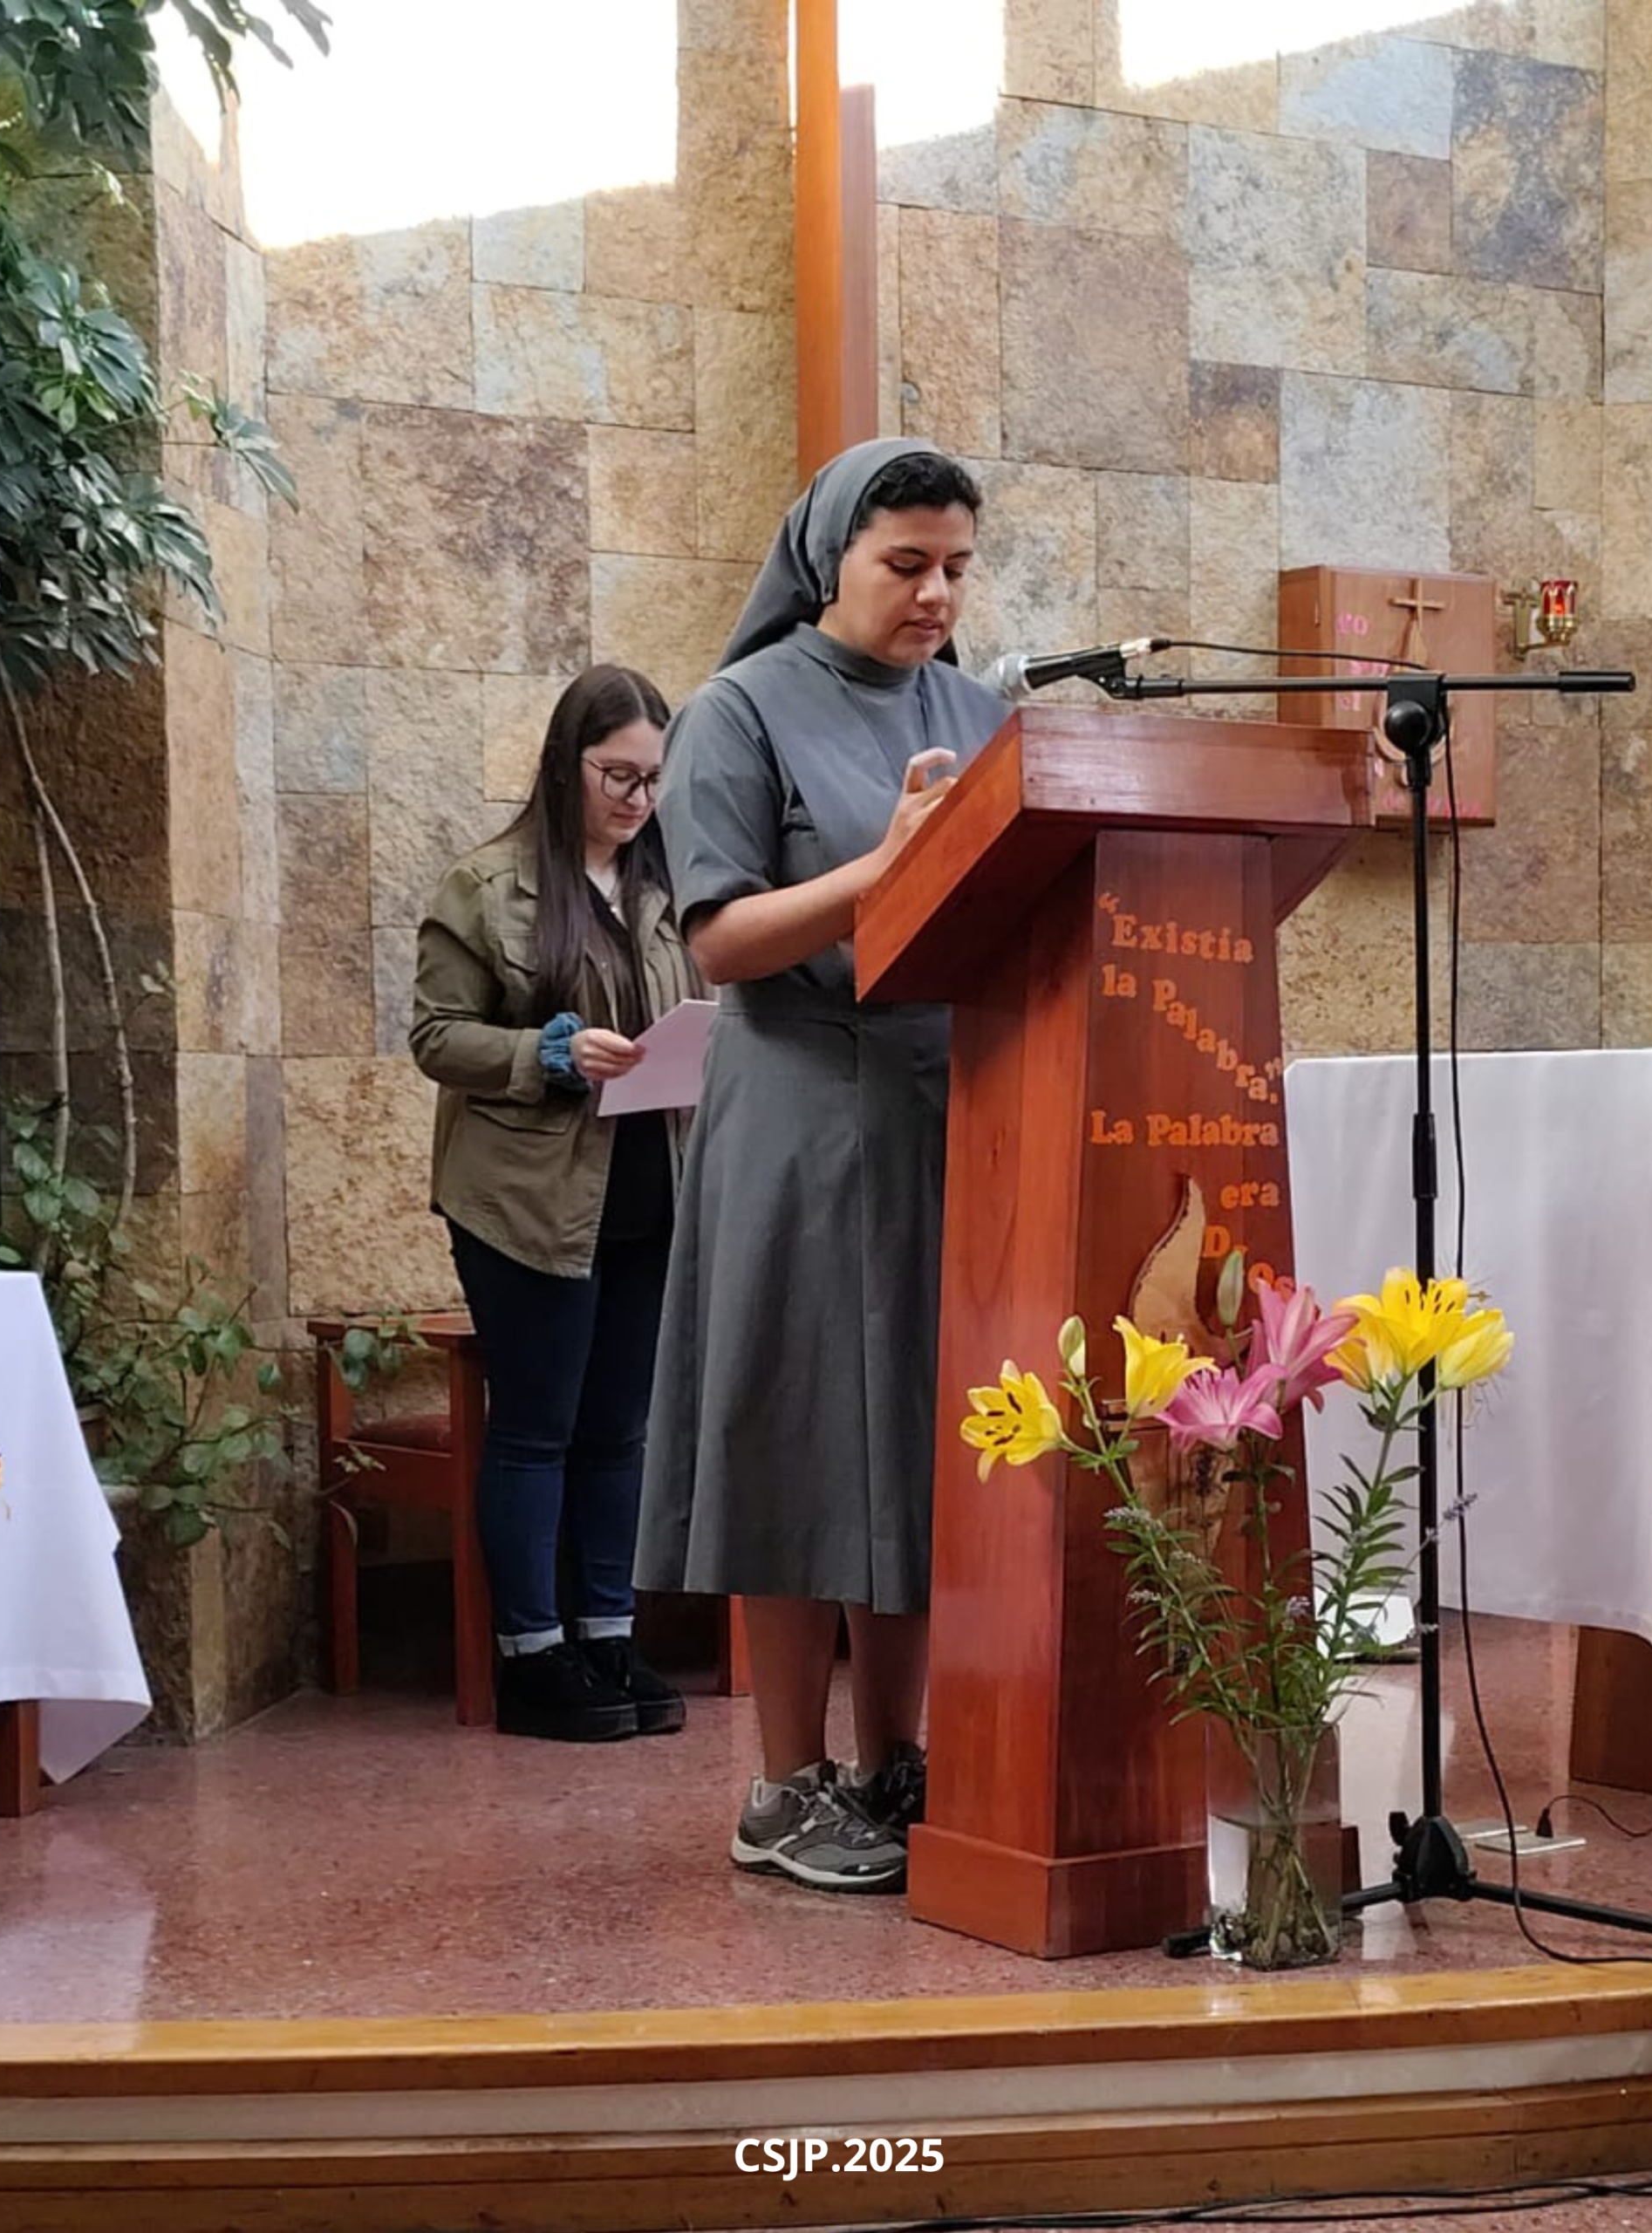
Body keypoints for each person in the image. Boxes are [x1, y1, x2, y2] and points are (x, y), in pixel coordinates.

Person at [637, 438, 1008, 1891]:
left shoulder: (978, 711)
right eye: (905, 564)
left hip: (946, 1100)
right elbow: (719, 939)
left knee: (912, 1445)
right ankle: (784, 1787)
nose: (936, 595)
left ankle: (890, 1761)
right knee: (796, 1437)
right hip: (797, 1104)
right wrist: (883, 868)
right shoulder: (737, 712)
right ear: (825, 560)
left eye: (957, 567)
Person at [410, 665, 701, 1744]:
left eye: (653, 780)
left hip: (647, 1184)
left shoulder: (665, 890)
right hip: (523, 1196)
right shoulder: (486, 887)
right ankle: (532, 1653)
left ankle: (607, 1633)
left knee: (619, 1428)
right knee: (537, 1426)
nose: (637, 799)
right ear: (564, 764)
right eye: (618, 775)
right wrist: (549, 1051)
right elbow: (436, 1036)